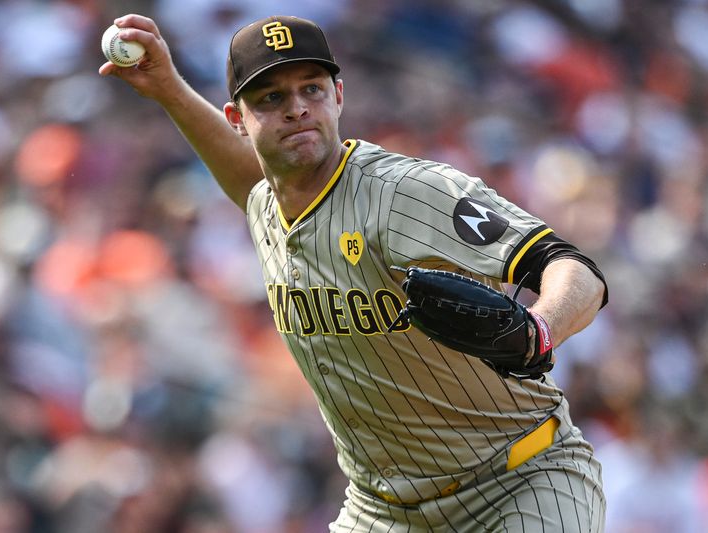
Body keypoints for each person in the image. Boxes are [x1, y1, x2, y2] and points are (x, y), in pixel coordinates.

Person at [100, 13, 608, 532]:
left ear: (339, 96)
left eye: (311, 89)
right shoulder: (265, 205)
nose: (296, 108)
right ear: (237, 117)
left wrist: (538, 330)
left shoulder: (405, 193)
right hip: (384, 508)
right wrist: (168, 90)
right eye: (271, 98)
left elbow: (577, 273)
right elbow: (251, 179)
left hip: (521, 479)